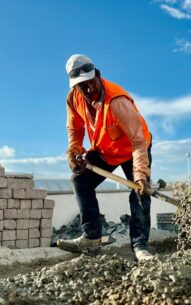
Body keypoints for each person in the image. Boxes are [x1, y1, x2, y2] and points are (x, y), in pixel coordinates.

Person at [57, 54, 154, 261]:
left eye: (91, 83)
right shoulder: (73, 98)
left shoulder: (117, 101)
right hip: (105, 149)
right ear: (75, 87)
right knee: (80, 178)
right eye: (82, 86)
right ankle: (91, 238)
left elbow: (138, 141)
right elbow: (74, 128)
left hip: (133, 149)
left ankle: (140, 246)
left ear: (97, 75)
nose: (88, 89)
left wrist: (141, 175)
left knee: (139, 192)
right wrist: (74, 149)